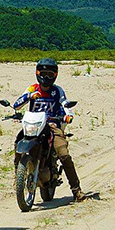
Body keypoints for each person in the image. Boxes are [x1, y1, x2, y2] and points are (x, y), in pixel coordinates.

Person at [11, 58, 85, 202]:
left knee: (63, 154)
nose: (46, 77)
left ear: (55, 75)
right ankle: (18, 178)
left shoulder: (57, 90)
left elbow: (65, 105)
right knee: (18, 144)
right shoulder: (32, 88)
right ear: (37, 73)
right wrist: (29, 96)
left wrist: (68, 115)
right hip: (33, 125)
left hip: (52, 126)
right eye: (43, 73)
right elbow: (16, 105)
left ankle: (76, 190)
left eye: (50, 74)